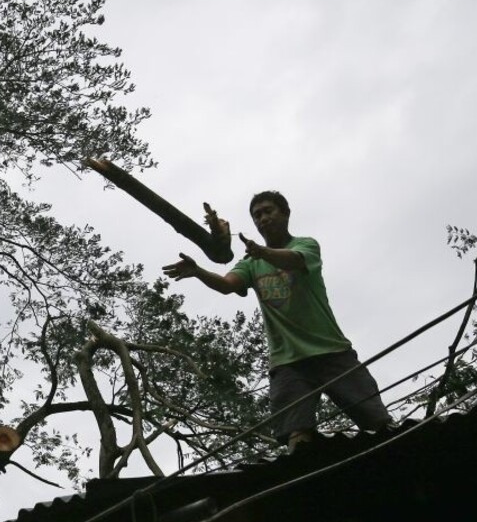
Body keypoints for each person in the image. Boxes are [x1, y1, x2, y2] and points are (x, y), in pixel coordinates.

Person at [163, 191, 390, 450]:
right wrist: (198, 272)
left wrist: (263, 252)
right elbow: (228, 284)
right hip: (288, 363)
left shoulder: (305, 245)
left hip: (332, 352)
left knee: (378, 424)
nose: (263, 218)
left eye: (268, 211)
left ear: (286, 214)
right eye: (257, 215)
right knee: (296, 438)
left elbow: (294, 261)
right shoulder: (250, 263)